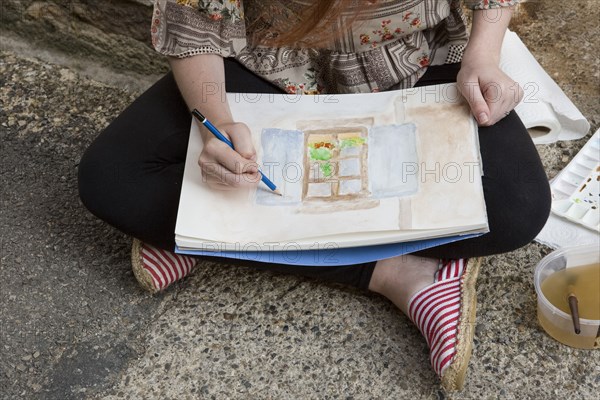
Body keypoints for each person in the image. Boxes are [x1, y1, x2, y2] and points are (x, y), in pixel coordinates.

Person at [78, 0, 550, 391]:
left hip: (417, 61)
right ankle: (391, 271)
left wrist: (483, 56)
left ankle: (214, 234)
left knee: (518, 208)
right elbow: (193, 20)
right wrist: (216, 122)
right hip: (268, 67)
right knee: (114, 178)